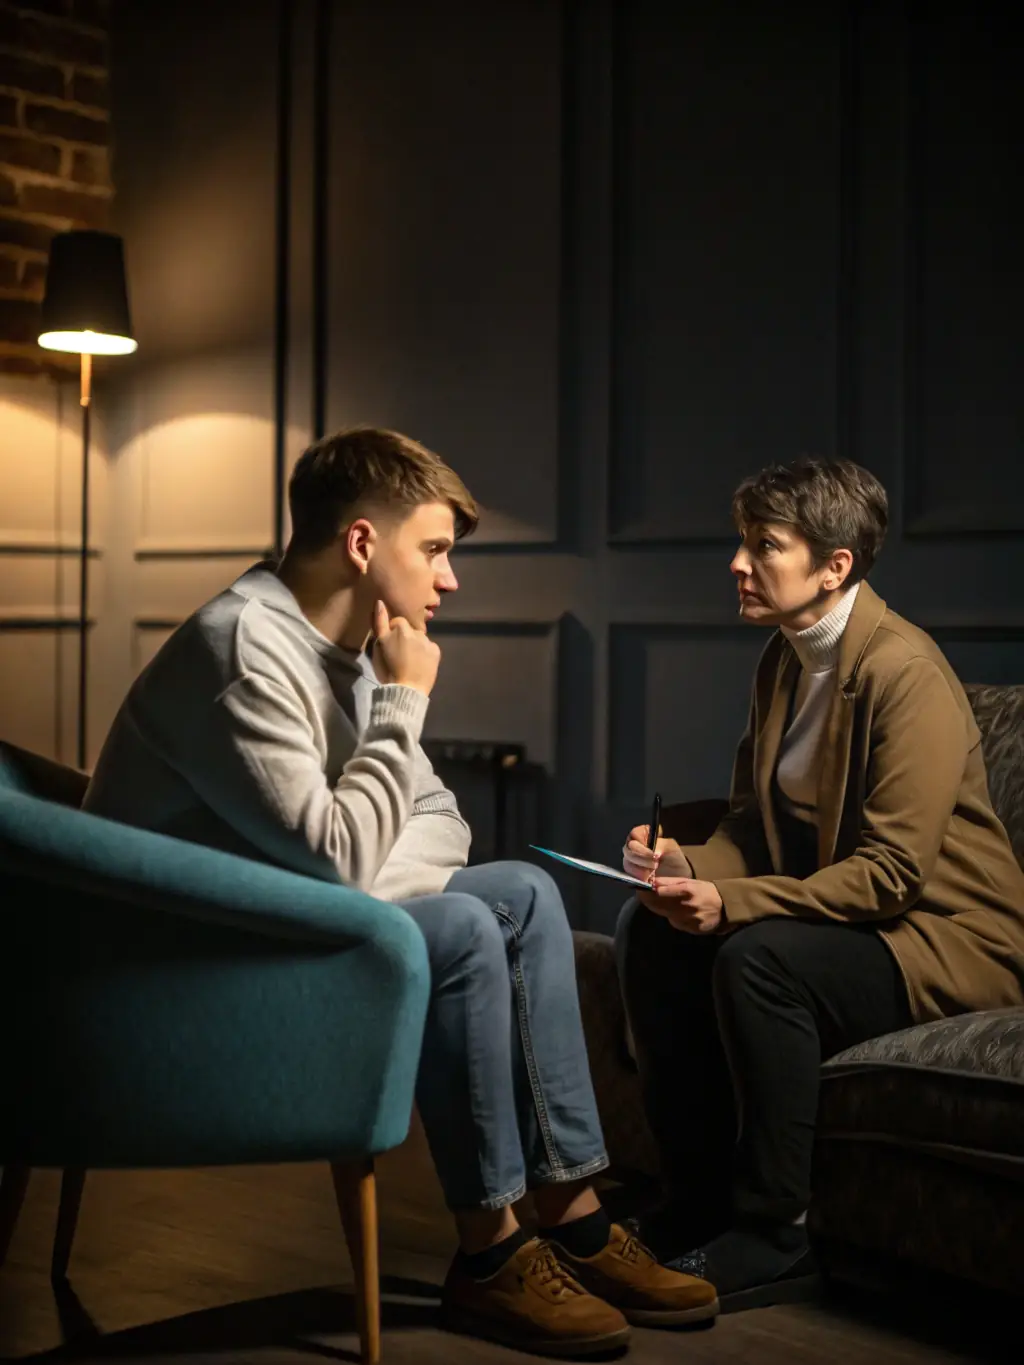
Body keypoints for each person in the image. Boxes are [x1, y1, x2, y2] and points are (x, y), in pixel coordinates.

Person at [84, 426, 718, 1356]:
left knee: (523, 892)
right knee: (461, 924)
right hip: (183, 980)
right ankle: (490, 1252)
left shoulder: (343, 651)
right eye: (435, 549)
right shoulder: (246, 652)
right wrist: (402, 709)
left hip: (274, 925)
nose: (449, 579)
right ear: (361, 544)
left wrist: (358, 836)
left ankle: (573, 1212)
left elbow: (440, 821)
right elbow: (343, 860)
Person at [616, 457, 1024, 1312]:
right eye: (742, 541)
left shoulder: (903, 672)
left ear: (835, 565)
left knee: (759, 959)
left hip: (948, 940)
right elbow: (748, 825)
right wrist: (689, 867)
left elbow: (892, 872)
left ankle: (775, 1233)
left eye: (764, 545)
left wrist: (735, 902)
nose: (737, 562)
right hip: (864, 924)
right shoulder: (784, 660)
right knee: (649, 928)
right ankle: (694, 1203)